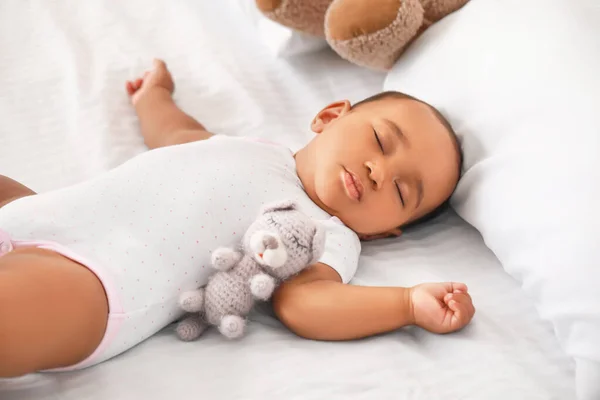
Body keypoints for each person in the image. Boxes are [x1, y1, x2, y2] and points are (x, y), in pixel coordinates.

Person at [0, 59, 474, 377]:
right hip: (50, 211)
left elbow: (306, 305)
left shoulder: (325, 233)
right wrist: (153, 97)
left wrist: (407, 304)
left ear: (384, 232)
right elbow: (178, 134)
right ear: (330, 115)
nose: (379, 171)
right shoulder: (254, 149)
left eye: (400, 190)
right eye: (381, 141)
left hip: (99, 283)